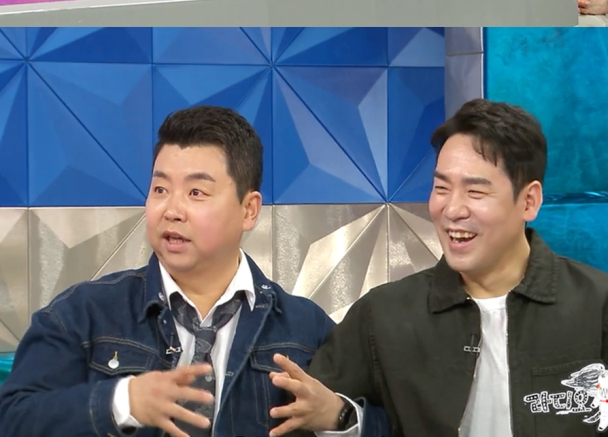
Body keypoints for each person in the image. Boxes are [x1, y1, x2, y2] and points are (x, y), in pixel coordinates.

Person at [267, 99, 608, 437]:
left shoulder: (604, 306)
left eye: (475, 191)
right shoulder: (383, 315)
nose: (452, 209)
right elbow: (305, 419)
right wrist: (340, 419)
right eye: (441, 188)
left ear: (529, 201)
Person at [0, 105, 387, 437]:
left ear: (249, 210)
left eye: (196, 192)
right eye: (160, 189)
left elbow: (398, 422)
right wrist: (121, 402)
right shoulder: (84, 313)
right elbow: (12, 417)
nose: (171, 210)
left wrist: (341, 418)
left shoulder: (306, 329)